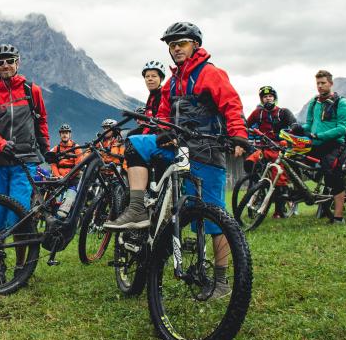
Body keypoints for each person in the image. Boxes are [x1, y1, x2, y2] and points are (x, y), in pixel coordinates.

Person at [104, 22, 247, 300]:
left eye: (181, 43)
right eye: (171, 45)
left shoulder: (210, 73)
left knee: (216, 219)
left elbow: (231, 104)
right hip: (179, 149)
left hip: (206, 151)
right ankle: (136, 209)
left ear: (195, 44)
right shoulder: (174, 81)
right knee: (135, 144)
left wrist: (238, 135)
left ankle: (221, 281)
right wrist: (164, 130)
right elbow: (166, 112)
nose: (176, 48)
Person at [0, 43, 50, 286]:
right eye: (0, 62)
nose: (5, 65)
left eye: (9, 60)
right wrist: (0, 143)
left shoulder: (32, 90)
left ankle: (21, 268)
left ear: (18, 62)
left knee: (20, 213)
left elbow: (41, 122)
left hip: (25, 159)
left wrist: (46, 149)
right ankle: (0, 268)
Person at [298, 70, 346, 223]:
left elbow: (342, 128)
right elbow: (310, 124)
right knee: (293, 158)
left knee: (332, 173)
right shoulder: (314, 103)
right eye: (318, 84)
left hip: (335, 144)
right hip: (315, 144)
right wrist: (300, 128)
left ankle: (339, 217)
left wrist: (320, 135)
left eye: (323, 83)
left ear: (331, 83)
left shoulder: (341, 102)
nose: (320, 86)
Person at [245, 86, 298, 218]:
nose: (268, 98)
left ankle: (279, 210)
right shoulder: (258, 113)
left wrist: (291, 129)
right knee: (250, 162)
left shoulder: (283, 112)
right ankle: (259, 188)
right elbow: (246, 124)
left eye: (270, 96)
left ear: (274, 98)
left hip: (279, 147)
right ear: (261, 99)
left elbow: (294, 124)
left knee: (278, 177)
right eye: (264, 96)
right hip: (264, 147)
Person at [128, 61, 166, 137]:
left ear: (161, 78)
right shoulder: (152, 96)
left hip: (161, 134)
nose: (150, 79)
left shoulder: (163, 95)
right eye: (147, 76)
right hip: (151, 131)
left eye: (154, 76)